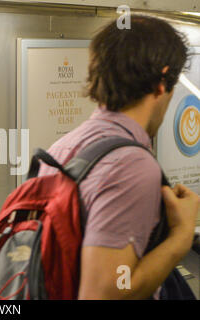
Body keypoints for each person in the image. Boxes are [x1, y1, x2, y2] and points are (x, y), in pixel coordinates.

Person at [39, 15, 199, 299]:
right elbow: (103, 293)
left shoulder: (62, 148)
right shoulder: (130, 165)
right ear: (162, 83)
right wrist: (180, 236)